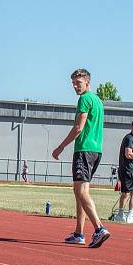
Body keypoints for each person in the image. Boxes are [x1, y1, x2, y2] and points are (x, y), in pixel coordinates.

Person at [51, 68, 110, 249]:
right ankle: (79, 233)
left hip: (84, 149)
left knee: (82, 192)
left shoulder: (84, 99)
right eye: (73, 83)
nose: (75, 86)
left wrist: (61, 147)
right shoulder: (97, 101)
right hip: (95, 150)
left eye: (78, 82)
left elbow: (78, 127)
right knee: (79, 191)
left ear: (87, 82)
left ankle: (99, 228)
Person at [115, 120, 133, 223]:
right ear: (132, 127)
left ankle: (120, 214)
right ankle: (130, 216)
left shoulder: (128, 138)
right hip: (128, 170)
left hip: (123, 169)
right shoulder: (130, 138)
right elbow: (128, 154)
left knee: (124, 193)